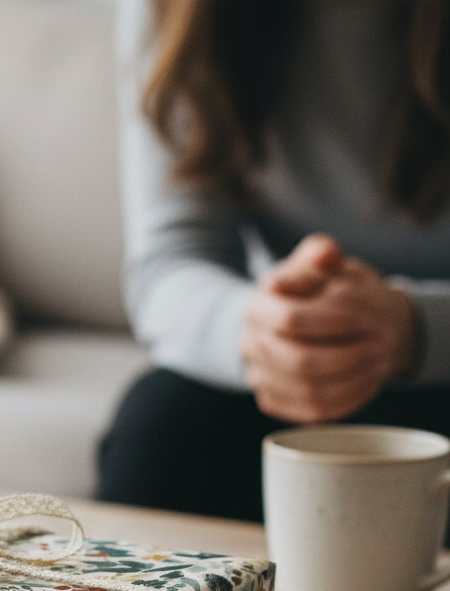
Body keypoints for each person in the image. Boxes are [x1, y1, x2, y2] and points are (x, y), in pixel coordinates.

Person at [98, 0, 450, 534]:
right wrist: (260, 333)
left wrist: (412, 326)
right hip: (295, 368)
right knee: (160, 431)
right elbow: (172, 258)